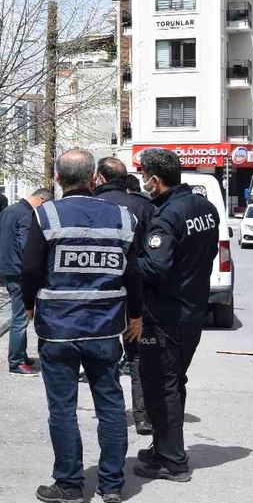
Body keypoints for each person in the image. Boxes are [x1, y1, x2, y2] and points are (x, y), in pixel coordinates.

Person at [21, 149, 143, 503]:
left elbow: (30, 269)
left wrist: (29, 304)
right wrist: (136, 315)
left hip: (58, 329)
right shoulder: (123, 218)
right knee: (110, 405)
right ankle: (112, 484)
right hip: (104, 328)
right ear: (93, 178)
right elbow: (134, 273)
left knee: (62, 408)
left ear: (58, 178)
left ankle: (70, 486)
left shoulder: (46, 215)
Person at [133, 148, 219, 483]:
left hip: (165, 315)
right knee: (174, 381)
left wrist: (127, 264)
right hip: (193, 310)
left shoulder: (167, 216)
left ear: (154, 180)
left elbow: (155, 266)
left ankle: (173, 461)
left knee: (160, 385)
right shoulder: (205, 208)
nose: (143, 182)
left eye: (144, 176)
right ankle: (164, 447)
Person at [95, 157, 156, 435]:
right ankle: (142, 417)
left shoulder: (92, 205)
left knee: (104, 356)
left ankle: (111, 413)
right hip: (137, 292)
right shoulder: (144, 206)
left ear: (99, 178)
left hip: (102, 293)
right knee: (137, 355)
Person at [0, 187, 53, 376]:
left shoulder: (11, 209)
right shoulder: (27, 215)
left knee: (20, 315)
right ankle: (16, 362)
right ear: (42, 201)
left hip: (5, 267)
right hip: (17, 270)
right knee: (21, 318)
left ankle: (21, 354)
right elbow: (27, 246)